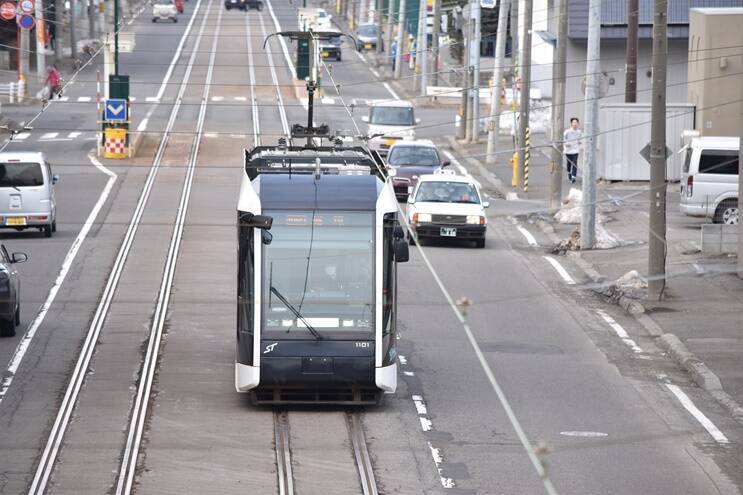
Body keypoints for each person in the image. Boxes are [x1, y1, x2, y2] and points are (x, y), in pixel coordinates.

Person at [563, 117, 582, 184]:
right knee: (569, 164)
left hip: (575, 150)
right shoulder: (567, 132)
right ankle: (569, 174)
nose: (575, 124)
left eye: (576, 122)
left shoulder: (579, 132)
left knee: (574, 163)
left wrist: (580, 142)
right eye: (573, 122)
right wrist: (566, 144)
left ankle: (573, 177)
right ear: (571, 124)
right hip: (568, 150)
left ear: (578, 124)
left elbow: (579, 139)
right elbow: (563, 139)